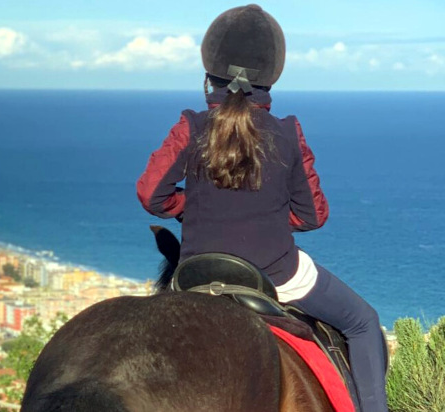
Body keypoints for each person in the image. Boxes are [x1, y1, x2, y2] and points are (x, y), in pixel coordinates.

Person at [136, 5, 387, 412]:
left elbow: (152, 195)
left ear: (209, 75)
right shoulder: (287, 131)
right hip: (276, 275)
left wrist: (188, 206)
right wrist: (269, 215)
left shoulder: (191, 126)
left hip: (199, 269)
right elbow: (312, 216)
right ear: (271, 77)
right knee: (363, 322)